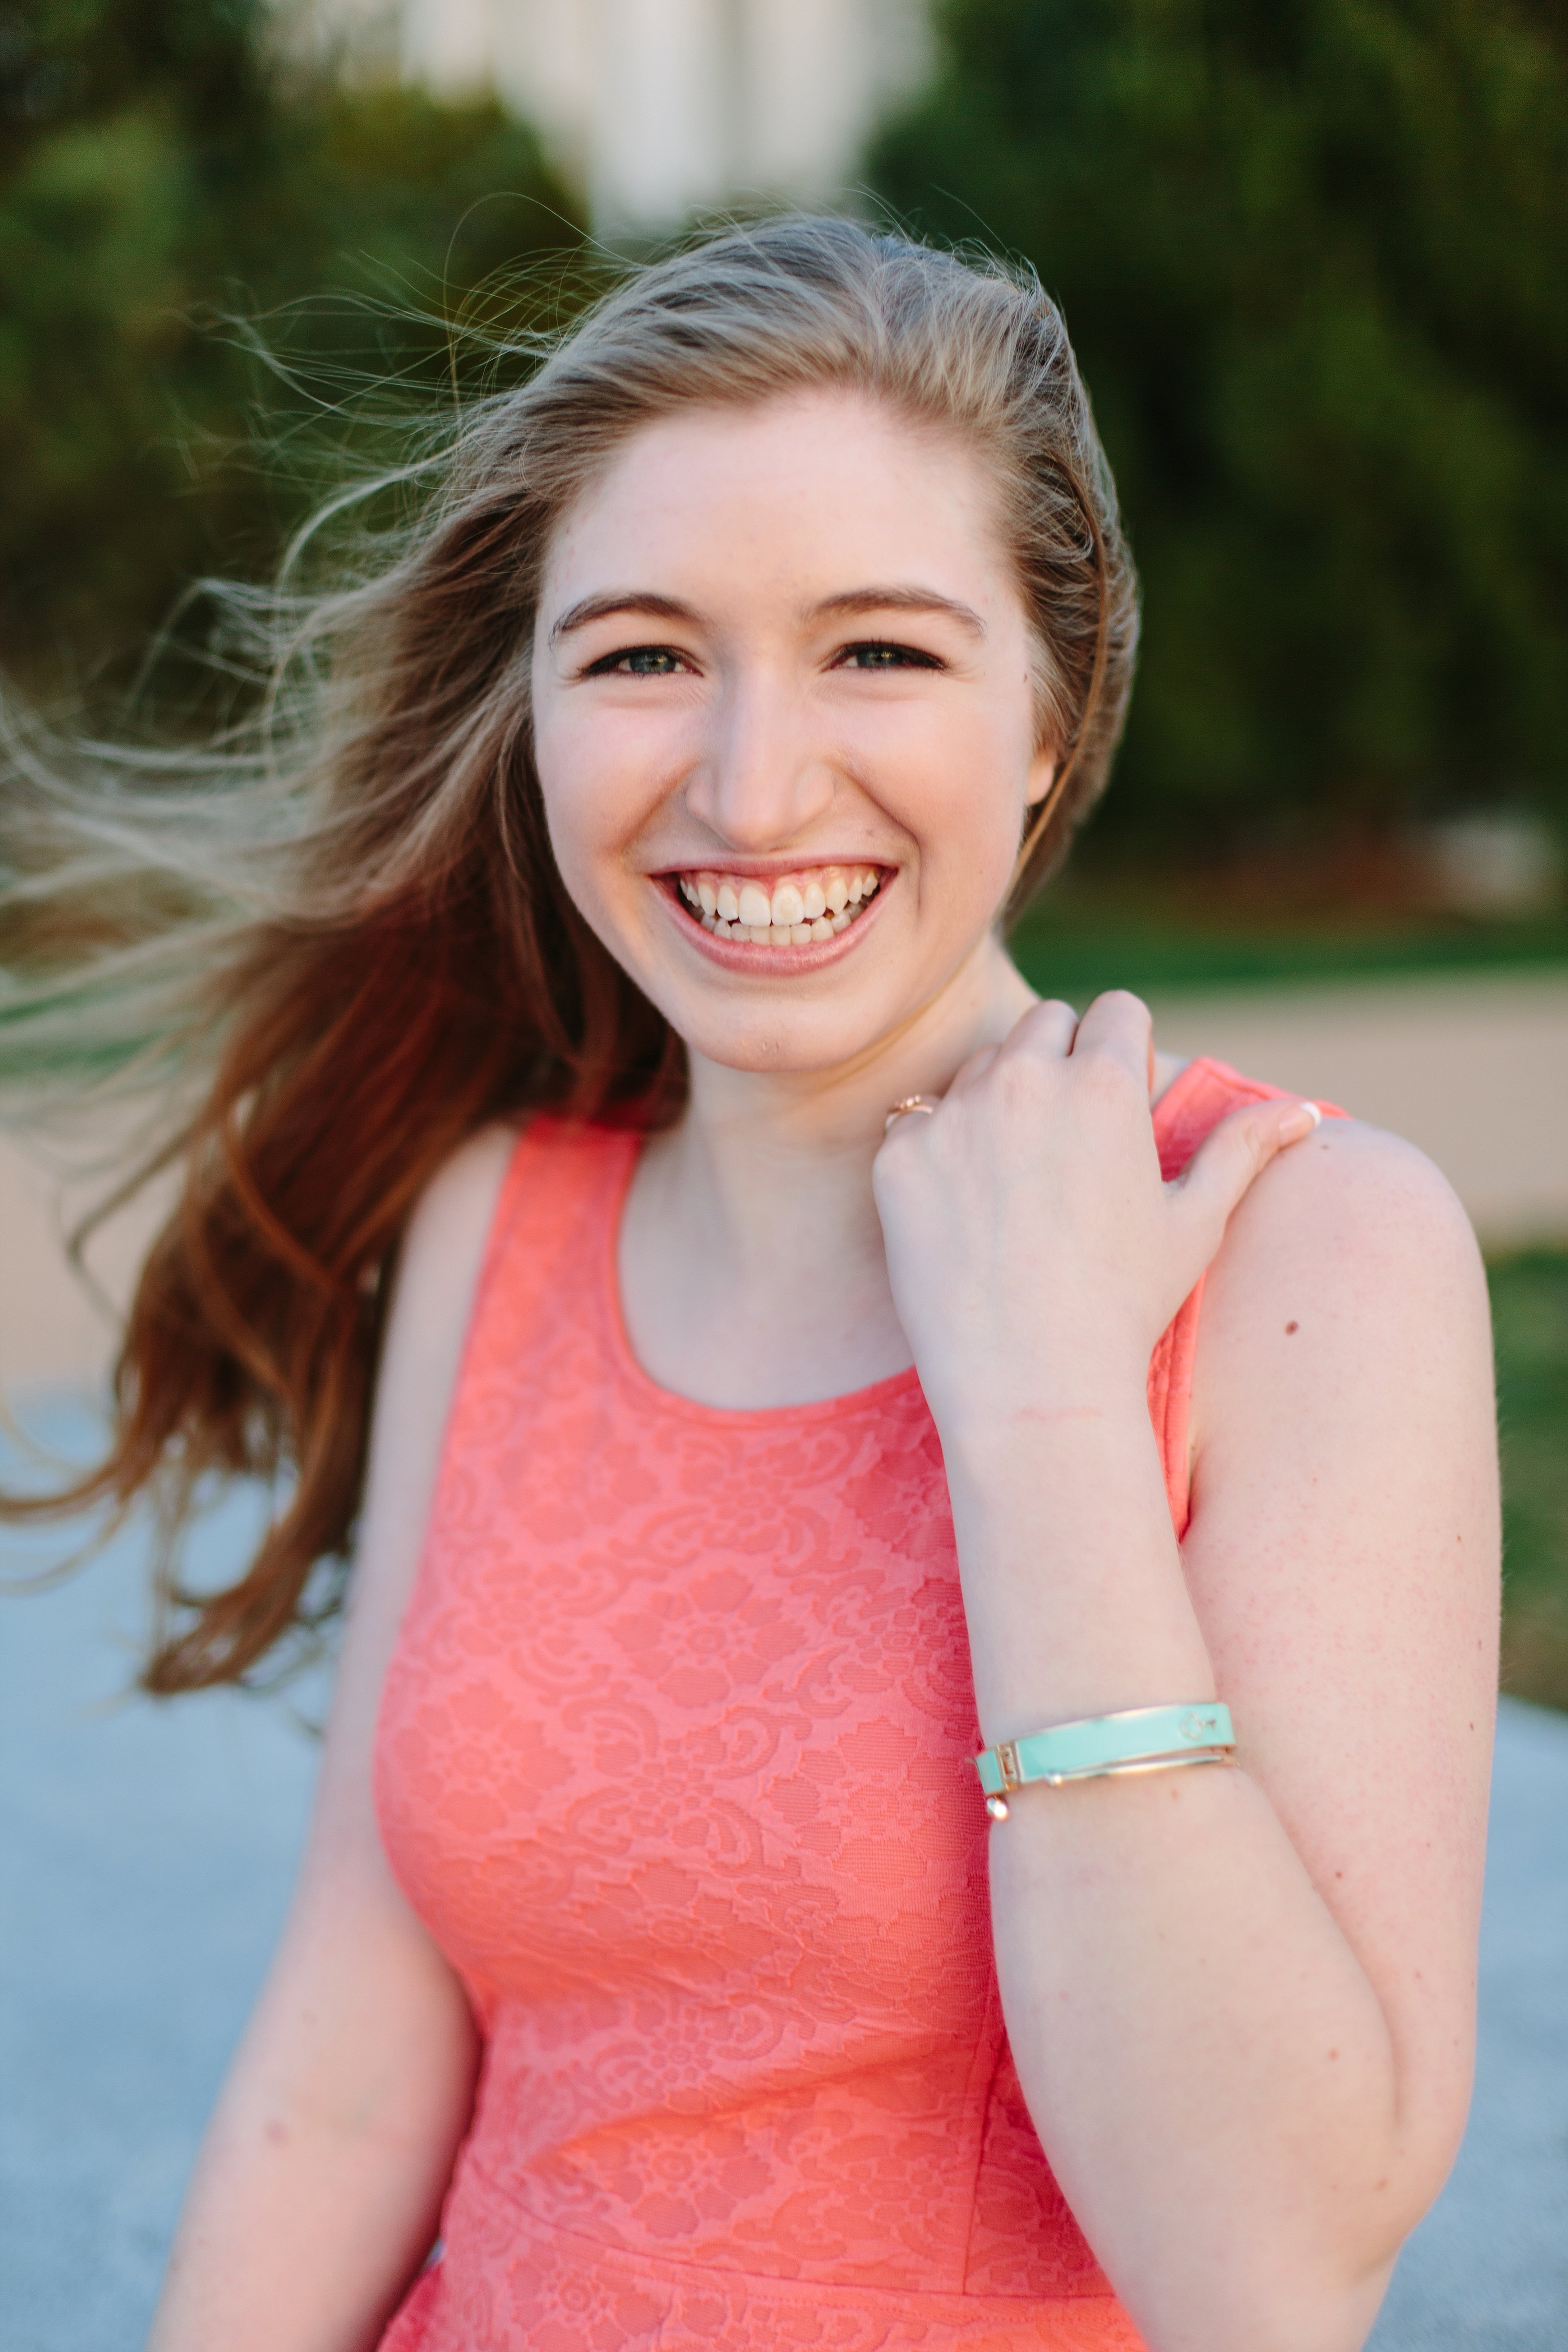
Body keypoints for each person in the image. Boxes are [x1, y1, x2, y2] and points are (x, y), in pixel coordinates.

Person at [4, 219, 1497, 2352]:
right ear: (529, 710)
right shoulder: (493, 1225)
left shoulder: (1300, 1242)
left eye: (876, 650)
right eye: (638, 655)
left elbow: (1263, 2270)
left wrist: (1045, 1415)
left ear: (1051, 719)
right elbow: (346, 2057)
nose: (746, 782)